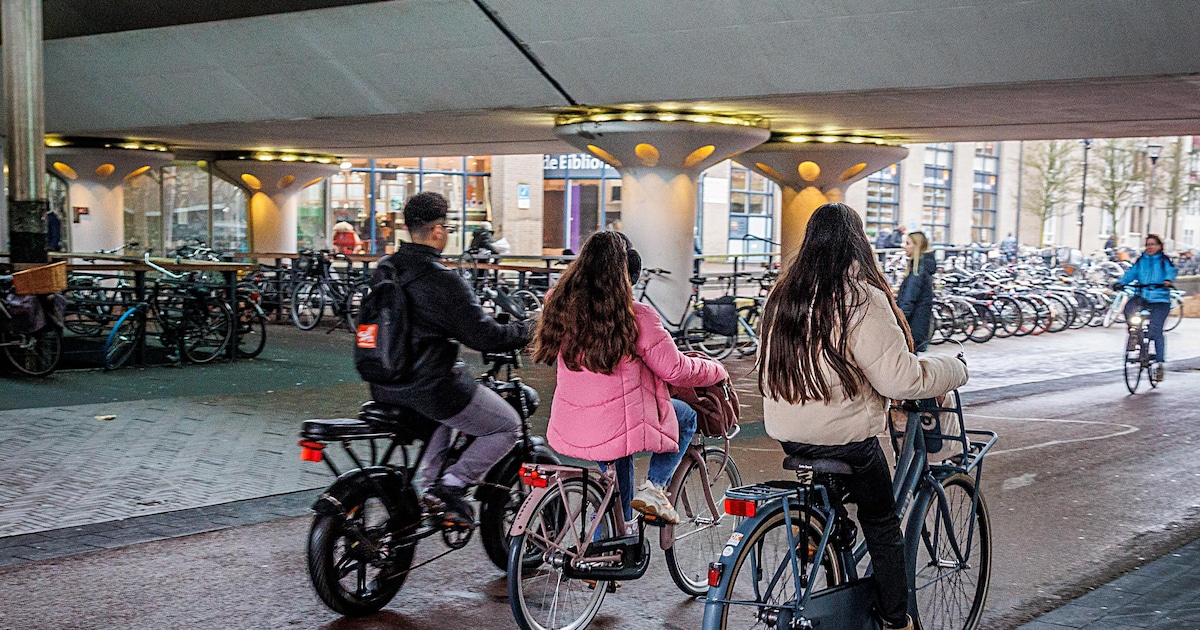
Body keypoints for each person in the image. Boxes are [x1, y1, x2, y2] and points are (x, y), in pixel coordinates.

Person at [755, 203, 968, 630]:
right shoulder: (859, 298)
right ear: (859, 243)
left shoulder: (783, 295)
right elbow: (900, 379)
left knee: (837, 499)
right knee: (882, 521)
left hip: (788, 432)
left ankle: (816, 538)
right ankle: (896, 620)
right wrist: (954, 369)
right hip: (845, 438)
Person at [533, 231, 727, 526]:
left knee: (615, 485)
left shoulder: (559, 307)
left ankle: (607, 547)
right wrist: (717, 369)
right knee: (685, 416)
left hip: (572, 420)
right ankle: (655, 489)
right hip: (618, 422)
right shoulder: (636, 318)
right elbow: (675, 370)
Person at [368, 191, 532, 526]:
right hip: (430, 386)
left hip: (384, 382)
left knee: (448, 415)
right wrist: (529, 329)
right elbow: (483, 336)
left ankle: (431, 485)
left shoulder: (386, 269)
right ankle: (451, 485)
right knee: (508, 425)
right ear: (439, 230)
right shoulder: (441, 279)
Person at [1115, 234, 1176, 381]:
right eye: (1147, 244)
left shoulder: (1164, 260)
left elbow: (1171, 271)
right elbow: (1131, 274)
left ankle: (1159, 363)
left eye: (1153, 245)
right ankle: (1134, 334)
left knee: (1156, 330)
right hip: (1143, 295)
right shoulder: (1141, 260)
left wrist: (1168, 281)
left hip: (1160, 298)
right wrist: (1121, 282)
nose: (1149, 247)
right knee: (1129, 307)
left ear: (1159, 246)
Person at [897, 231, 936, 352]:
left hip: (912, 325)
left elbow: (910, 299)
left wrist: (899, 322)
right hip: (917, 325)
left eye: (908, 243)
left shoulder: (918, 270)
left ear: (916, 246)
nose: (903, 246)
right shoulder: (920, 267)